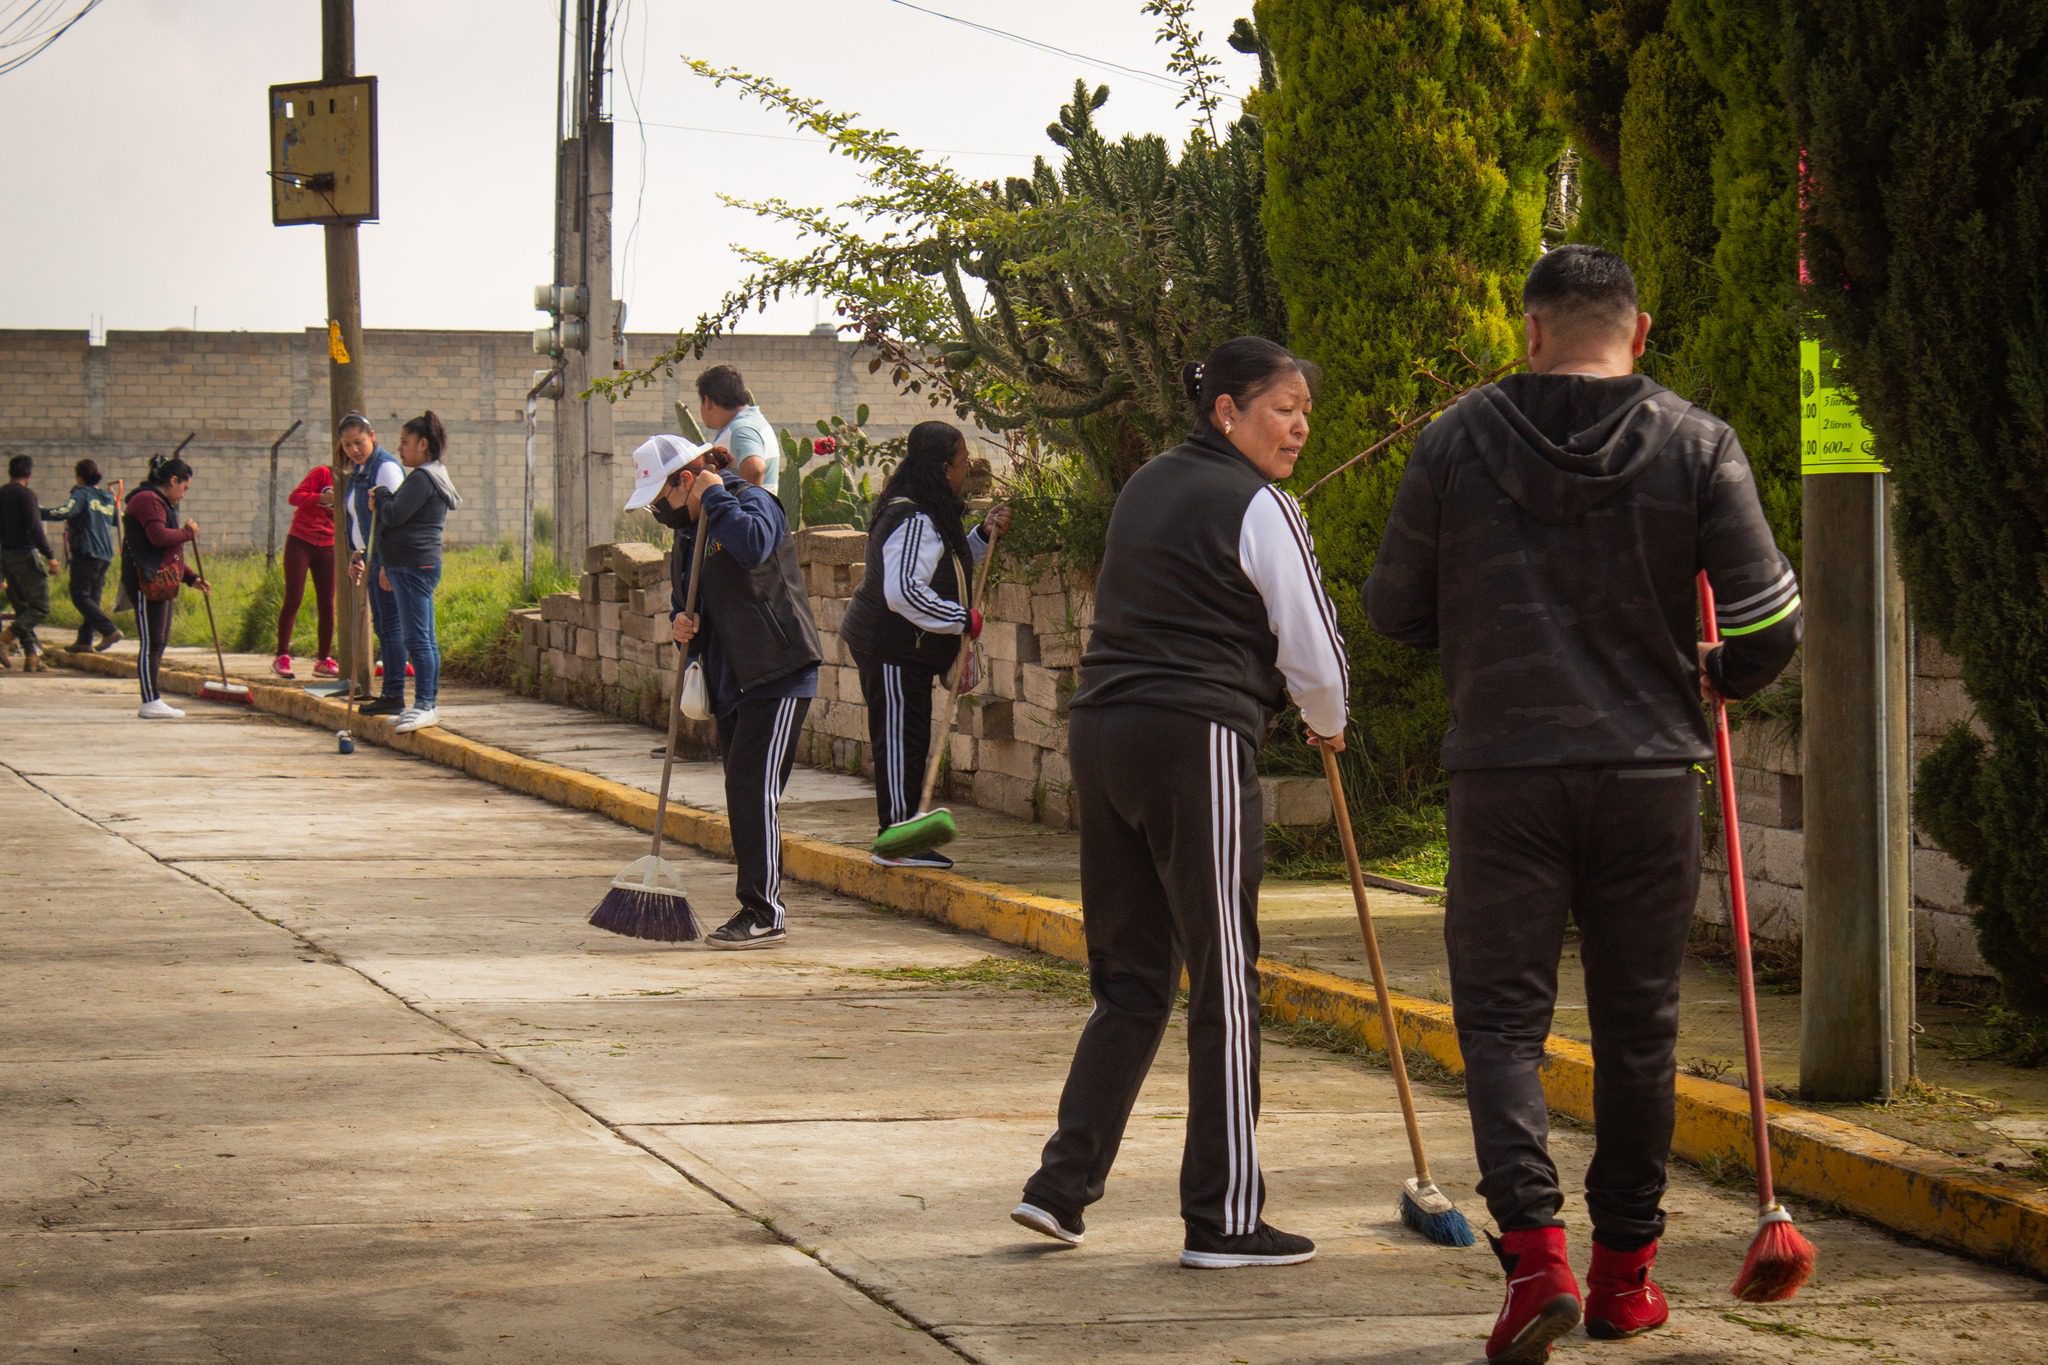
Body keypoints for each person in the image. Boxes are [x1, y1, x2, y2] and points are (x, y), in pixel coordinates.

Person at [1363, 245, 1802, 1361]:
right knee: (1636, 1029)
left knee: (1502, 1022)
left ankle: (1533, 1260)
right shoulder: (1698, 443)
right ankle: (1624, 1278)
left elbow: (1395, 610)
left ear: (1528, 332)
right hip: (1649, 772)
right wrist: (1717, 671)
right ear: (1638, 332)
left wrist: (1475, 622)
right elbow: (1765, 624)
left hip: (1503, 770)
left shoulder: (1454, 439)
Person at [1014, 336, 1350, 1269]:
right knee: (1226, 975)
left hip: (1104, 730)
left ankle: (1059, 1189)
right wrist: (1330, 720)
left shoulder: (1149, 483)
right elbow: (1314, 650)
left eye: (1305, 412)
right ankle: (1225, 1216)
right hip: (1191, 732)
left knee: (1130, 979)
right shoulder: (1262, 504)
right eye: (1282, 407)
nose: (1299, 426)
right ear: (1227, 411)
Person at [632, 432, 821, 949]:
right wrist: (681, 623)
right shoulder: (688, 534)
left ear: (687, 480)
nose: (660, 511)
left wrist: (715, 496)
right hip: (729, 677)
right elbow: (684, 598)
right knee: (744, 794)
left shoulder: (750, 502)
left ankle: (764, 912)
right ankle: (760, 907)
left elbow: (756, 546)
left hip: (776, 670)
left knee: (751, 789)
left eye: (662, 498)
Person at [841, 421, 1011, 869]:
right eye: (959, 464)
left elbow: (944, 565)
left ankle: (906, 833)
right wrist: (961, 618)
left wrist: (979, 537)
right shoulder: (913, 517)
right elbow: (904, 592)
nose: (963, 473)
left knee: (910, 735)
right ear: (942, 467)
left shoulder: (927, 511)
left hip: (906, 649)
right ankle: (896, 841)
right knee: (900, 738)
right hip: (890, 646)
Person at [369, 411, 460, 734]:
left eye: (405, 443)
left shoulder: (423, 478)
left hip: (413, 566)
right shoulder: (426, 476)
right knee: (423, 637)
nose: (401, 449)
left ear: (423, 445)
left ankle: (425, 704)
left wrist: (380, 494)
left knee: (418, 639)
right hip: (409, 564)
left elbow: (393, 515)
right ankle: (424, 702)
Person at [120, 453, 207, 719]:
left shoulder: (158, 502)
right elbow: (158, 538)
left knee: (159, 641)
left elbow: (170, 551)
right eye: (184, 487)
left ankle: (153, 698)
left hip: (161, 579)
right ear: (172, 480)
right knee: (151, 641)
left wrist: (191, 577)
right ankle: (149, 700)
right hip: (146, 580)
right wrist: (187, 532)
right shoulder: (147, 500)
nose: (183, 494)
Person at [338, 413, 407, 712]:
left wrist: (387, 565)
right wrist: (357, 552)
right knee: (384, 625)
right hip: (371, 558)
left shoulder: (386, 469)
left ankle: (394, 694)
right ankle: (388, 693)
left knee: (391, 626)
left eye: (359, 442)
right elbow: (358, 517)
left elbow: (394, 521)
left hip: (387, 559)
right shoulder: (359, 471)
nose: (354, 449)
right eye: (347, 445)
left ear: (373, 437)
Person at [40, 458, 121, 653]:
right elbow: (117, 521)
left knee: (79, 595)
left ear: (79, 477)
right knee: (92, 598)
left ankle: (109, 630)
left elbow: (65, 511)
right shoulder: (106, 497)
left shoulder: (82, 494)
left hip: (87, 552)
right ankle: (84, 640)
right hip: (105, 554)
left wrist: (39, 512)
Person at [272, 459, 338, 679]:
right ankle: (282, 655)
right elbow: (295, 497)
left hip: (328, 544)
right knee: (294, 597)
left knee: (328, 602)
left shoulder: (357, 480)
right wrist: (321, 498)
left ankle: (323, 659)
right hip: (301, 540)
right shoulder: (322, 473)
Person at [0, 454, 58, 671]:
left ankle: (32, 657)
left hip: (6, 557)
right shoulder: (27, 496)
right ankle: (5, 638)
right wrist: (50, 555)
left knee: (23, 609)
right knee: (40, 607)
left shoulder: (2, 493)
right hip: (25, 556)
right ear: (29, 474)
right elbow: (35, 528)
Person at [695, 364, 779, 493]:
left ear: (708, 401)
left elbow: (755, 468)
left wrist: (745, 508)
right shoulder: (753, 421)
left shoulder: (741, 429)